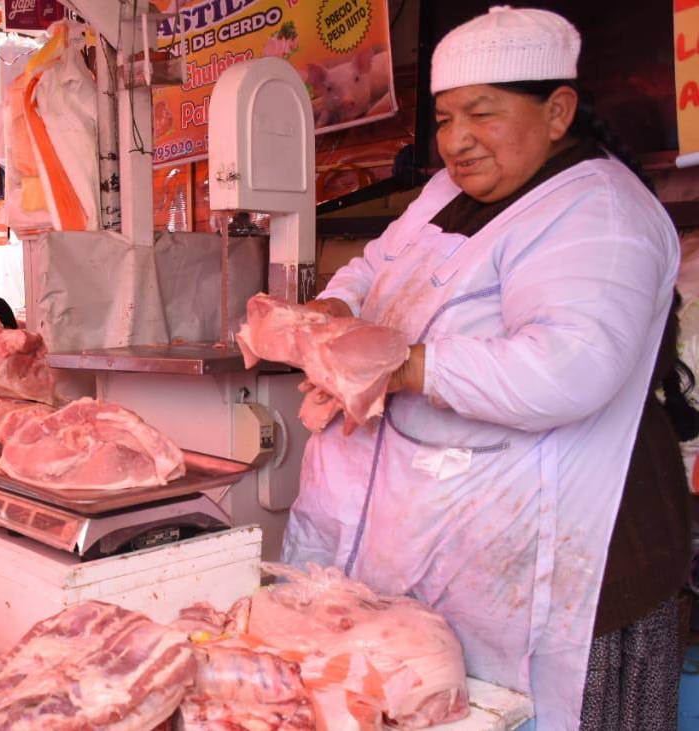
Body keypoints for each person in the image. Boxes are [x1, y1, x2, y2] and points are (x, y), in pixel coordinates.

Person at [285, 8, 685, 729]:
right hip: (456, 550)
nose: (456, 139)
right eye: (442, 118)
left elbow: (568, 366)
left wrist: (402, 366)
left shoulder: (597, 212)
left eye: (481, 112)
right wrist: (336, 308)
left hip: (582, 558)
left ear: (557, 110)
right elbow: (377, 264)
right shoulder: (450, 191)